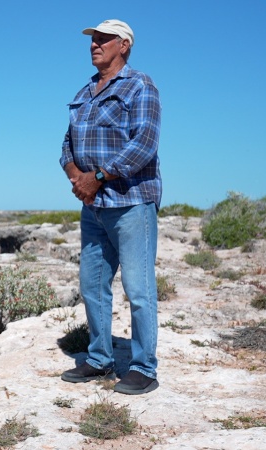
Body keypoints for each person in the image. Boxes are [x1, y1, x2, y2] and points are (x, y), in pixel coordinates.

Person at [59, 19, 162, 395]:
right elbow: (66, 146)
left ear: (124, 45)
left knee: (138, 289)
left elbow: (144, 145)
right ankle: (100, 359)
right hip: (94, 207)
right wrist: (77, 177)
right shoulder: (84, 92)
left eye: (103, 39)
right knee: (92, 285)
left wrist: (98, 176)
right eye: (92, 39)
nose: (94, 44)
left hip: (132, 203)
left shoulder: (140, 86)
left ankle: (143, 368)